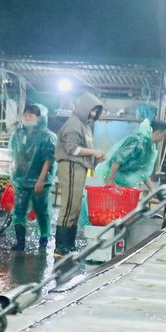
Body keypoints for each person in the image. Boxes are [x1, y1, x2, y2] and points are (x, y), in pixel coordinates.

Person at [78, 119, 166, 227]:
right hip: (111, 177)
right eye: (163, 136)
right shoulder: (136, 141)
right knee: (105, 210)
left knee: (117, 212)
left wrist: (153, 191)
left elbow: (143, 172)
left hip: (124, 183)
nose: (162, 139)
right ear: (157, 133)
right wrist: (111, 181)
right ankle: (96, 233)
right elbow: (118, 160)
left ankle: (112, 233)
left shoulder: (149, 147)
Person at [54, 91, 106, 250]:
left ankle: (69, 245)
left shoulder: (85, 125)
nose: (95, 113)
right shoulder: (74, 123)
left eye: (97, 111)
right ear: (85, 107)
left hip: (79, 169)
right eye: (93, 110)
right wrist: (94, 153)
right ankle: (61, 246)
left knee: (75, 208)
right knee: (69, 207)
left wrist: (95, 157)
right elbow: (72, 149)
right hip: (70, 167)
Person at [9, 102, 57, 252]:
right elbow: (13, 154)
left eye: (31, 115)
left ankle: (43, 239)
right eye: (25, 115)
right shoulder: (18, 134)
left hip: (40, 181)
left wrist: (41, 179)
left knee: (42, 211)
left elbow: (49, 159)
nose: (27, 118)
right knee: (19, 211)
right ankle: (20, 242)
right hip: (21, 180)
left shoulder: (47, 136)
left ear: (39, 117)